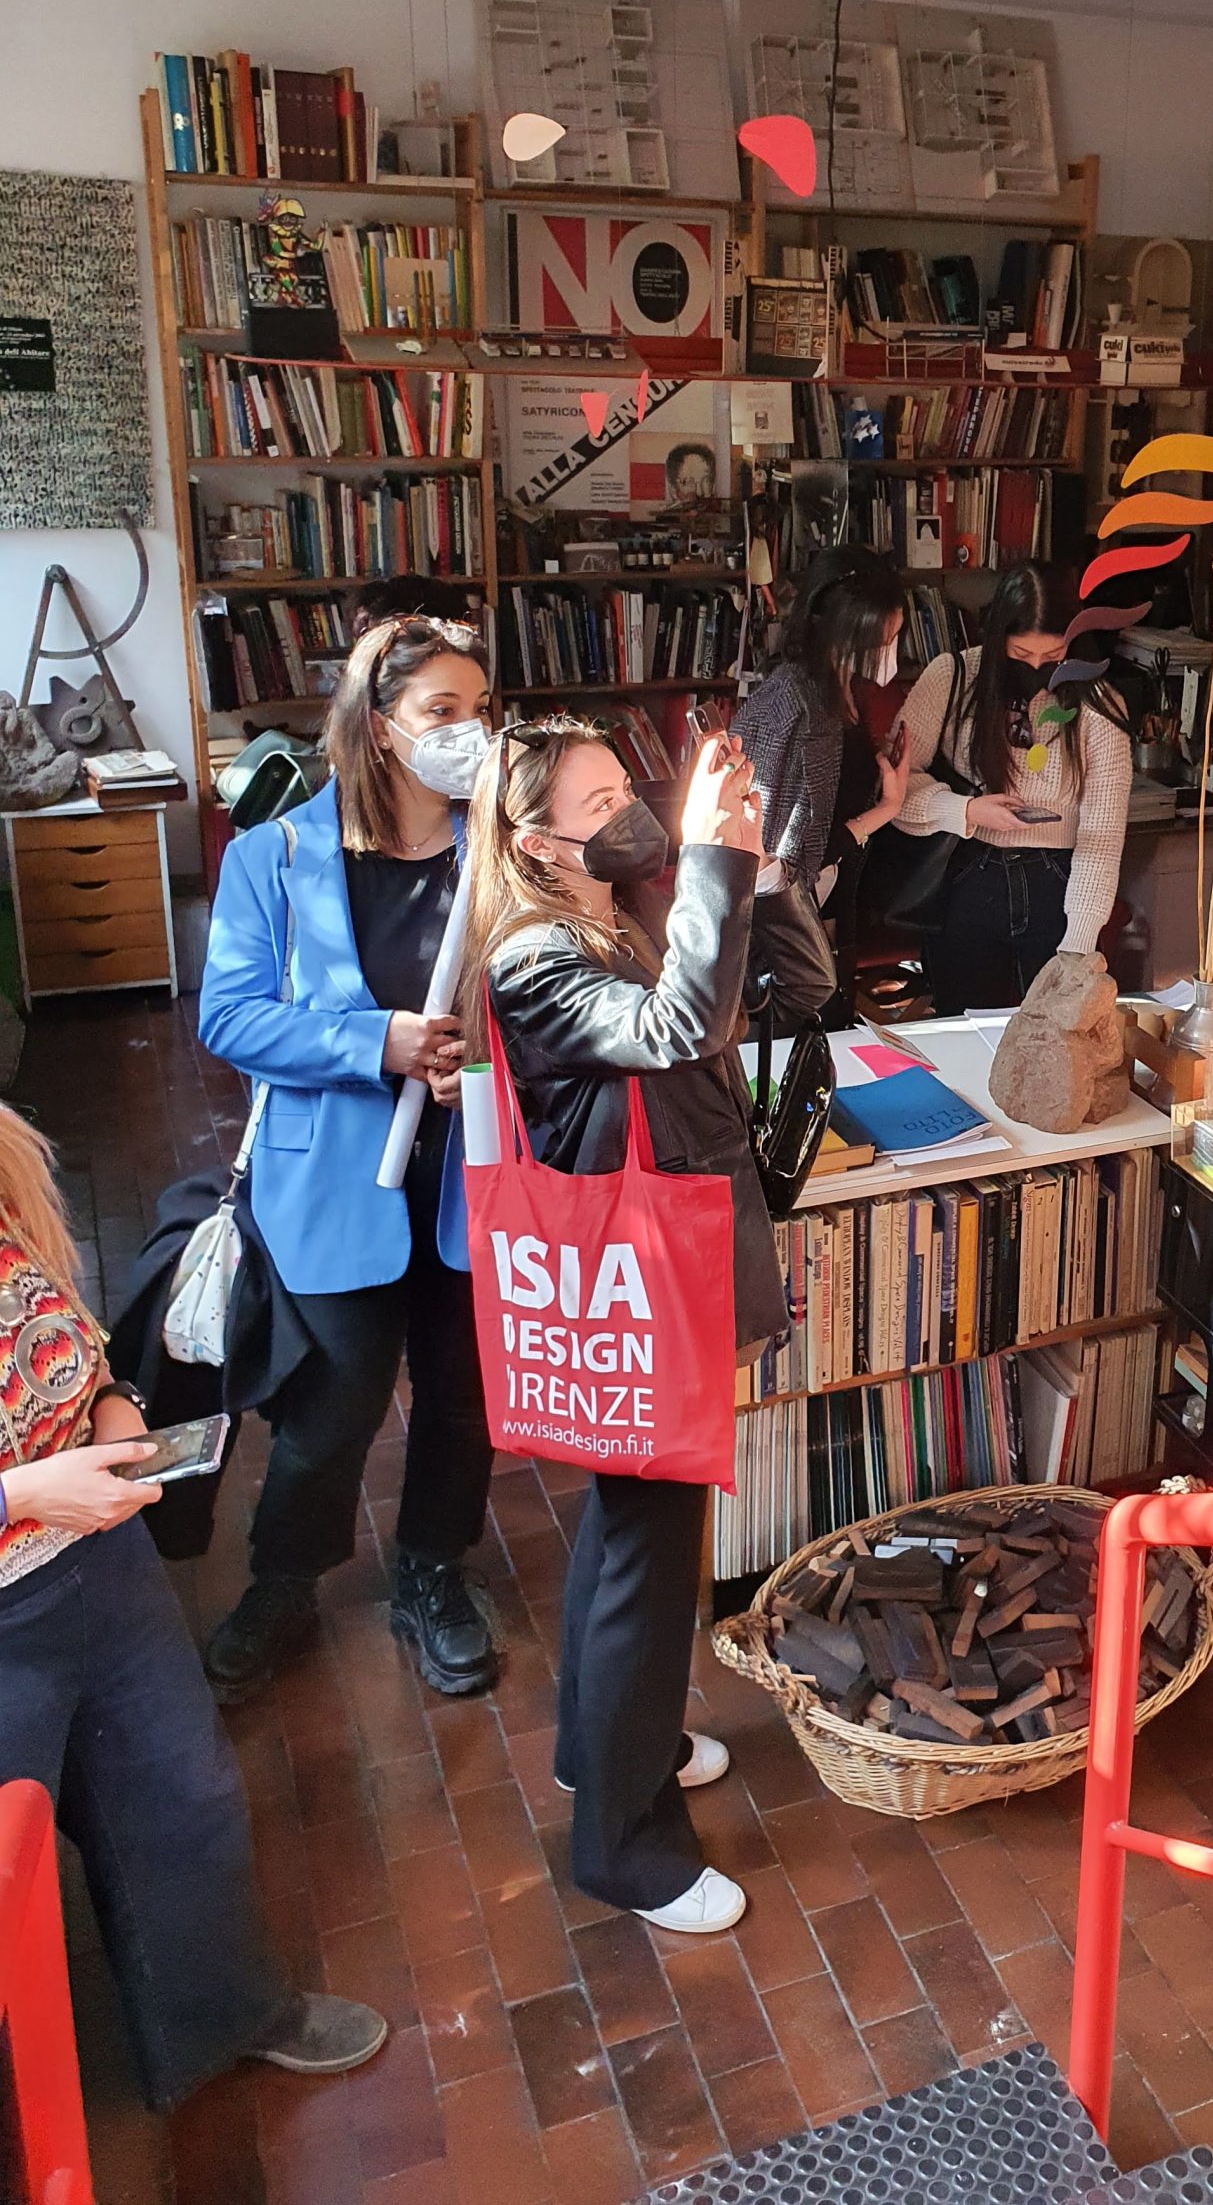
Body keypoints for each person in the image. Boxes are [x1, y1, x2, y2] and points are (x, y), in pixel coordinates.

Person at [461, 717, 826, 1935]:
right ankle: (622, 1846)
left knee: (635, 1531)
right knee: (647, 1543)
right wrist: (706, 865)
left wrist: (751, 859)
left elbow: (801, 987)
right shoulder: (532, 958)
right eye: (598, 796)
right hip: (633, 1281)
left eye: (629, 783)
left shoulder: (622, 907)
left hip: (661, 1268)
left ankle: (605, 1750)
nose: (629, 808)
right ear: (536, 841)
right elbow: (680, 1030)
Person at [0, 1101, 388, 2105]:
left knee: (184, 1797)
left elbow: (47, 1319)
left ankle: (221, 2017)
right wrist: (25, 1494)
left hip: (99, 1556)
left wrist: (111, 1396)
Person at [195, 614, 499, 1702]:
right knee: (336, 1403)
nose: (470, 734)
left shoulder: (498, 855)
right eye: (442, 713)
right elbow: (229, 1019)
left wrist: (486, 1064)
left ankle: (432, 1568)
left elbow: (540, 999)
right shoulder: (274, 858)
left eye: (480, 711)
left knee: (464, 1395)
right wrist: (380, 1042)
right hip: (330, 1179)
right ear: (378, 728)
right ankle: (283, 1577)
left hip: (467, 1175)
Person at [895, 560, 1132, 1015]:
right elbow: (892, 788)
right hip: (967, 873)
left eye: (1053, 658)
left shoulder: (1098, 705)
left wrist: (1079, 942)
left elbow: (1101, 836)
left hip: (1058, 882)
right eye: (1021, 655)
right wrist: (964, 810)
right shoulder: (953, 678)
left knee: (1057, 1034)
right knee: (959, 1024)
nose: (1038, 669)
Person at [732, 546, 910, 928]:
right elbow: (786, 858)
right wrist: (888, 807)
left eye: (895, 637)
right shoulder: (796, 710)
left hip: (832, 898)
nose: (888, 654)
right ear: (839, 632)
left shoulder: (842, 684)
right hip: (788, 919)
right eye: (880, 643)